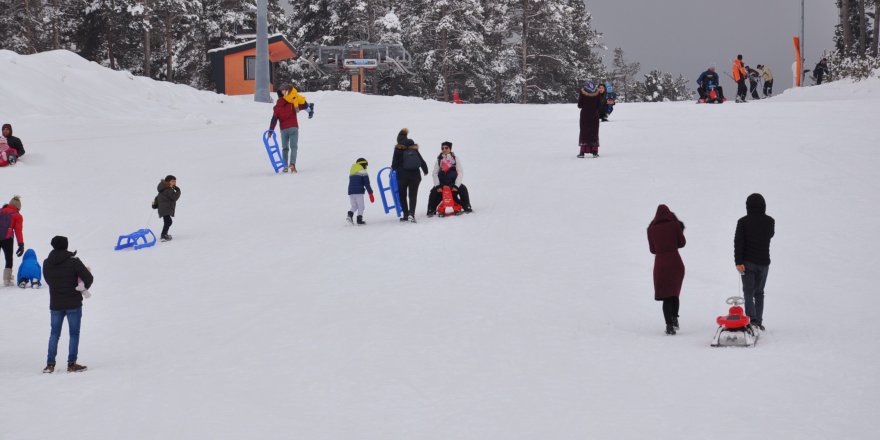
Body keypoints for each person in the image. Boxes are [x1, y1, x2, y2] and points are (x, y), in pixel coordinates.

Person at [42, 236, 93, 373]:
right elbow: (88, 277)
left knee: (54, 334)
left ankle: (50, 364)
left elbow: (48, 280)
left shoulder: (47, 263)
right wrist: (81, 287)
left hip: (56, 304)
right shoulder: (74, 261)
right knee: (74, 334)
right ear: (66, 245)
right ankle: (71, 364)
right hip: (73, 303)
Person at [734, 193, 775, 331]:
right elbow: (770, 235)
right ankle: (758, 321)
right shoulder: (770, 221)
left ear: (748, 206)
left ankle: (751, 321)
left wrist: (738, 261)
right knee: (759, 292)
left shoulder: (743, 222)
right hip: (764, 263)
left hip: (747, 263)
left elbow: (738, 242)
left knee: (748, 292)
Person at [647, 204, 686, 335]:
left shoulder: (651, 229)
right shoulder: (674, 225)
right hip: (675, 262)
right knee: (674, 292)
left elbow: (652, 250)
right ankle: (674, 318)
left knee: (666, 296)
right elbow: (682, 243)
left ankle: (669, 325)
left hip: (661, 265)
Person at [269, 85, 311, 173]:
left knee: (285, 148)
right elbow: (304, 105)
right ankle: (292, 164)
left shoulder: (277, 107)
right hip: (293, 128)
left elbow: (274, 119)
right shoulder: (291, 102)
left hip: (283, 130)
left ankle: (284, 166)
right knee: (294, 147)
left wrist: (271, 130)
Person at [391, 128, 428, 223]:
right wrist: (425, 170)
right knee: (412, 195)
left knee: (402, 195)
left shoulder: (398, 148)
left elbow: (394, 164)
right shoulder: (413, 147)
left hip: (402, 176)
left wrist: (392, 168)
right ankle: (412, 214)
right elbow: (421, 160)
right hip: (415, 176)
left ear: (399, 139)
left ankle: (406, 215)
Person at [427, 141, 473, 217]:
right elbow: (434, 173)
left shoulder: (455, 158)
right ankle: (431, 209)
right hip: (442, 184)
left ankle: (466, 206)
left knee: (463, 189)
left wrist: (456, 185)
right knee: (433, 192)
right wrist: (437, 186)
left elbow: (460, 172)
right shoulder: (439, 159)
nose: (444, 149)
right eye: (442, 148)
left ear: (450, 149)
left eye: (446, 148)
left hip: (453, 184)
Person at [1, 195, 25, 286]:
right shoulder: (17, 215)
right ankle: (7, 280)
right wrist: (21, 244)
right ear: (18, 207)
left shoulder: (1, 211)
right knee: (8, 258)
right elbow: (18, 231)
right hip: (7, 238)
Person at [577, 81, 601, 158]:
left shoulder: (583, 91)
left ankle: (582, 153)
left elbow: (579, 105)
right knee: (594, 132)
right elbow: (599, 105)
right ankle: (594, 152)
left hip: (585, 115)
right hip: (594, 115)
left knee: (584, 132)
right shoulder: (597, 92)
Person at [347, 158, 374, 225]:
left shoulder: (352, 171)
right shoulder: (363, 172)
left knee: (354, 206)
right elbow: (367, 184)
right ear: (362, 164)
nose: (366, 167)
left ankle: (349, 215)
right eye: (366, 165)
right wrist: (370, 193)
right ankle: (359, 220)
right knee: (361, 207)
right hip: (358, 192)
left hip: (351, 191)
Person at [156, 175, 181, 241]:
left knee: (167, 221)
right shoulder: (168, 190)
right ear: (168, 182)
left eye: (175, 181)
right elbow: (175, 197)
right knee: (168, 222)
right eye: (172, 181)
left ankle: (164, 234)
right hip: (165, 209)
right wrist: (178, 190)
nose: (174, 183)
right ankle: (163, 235)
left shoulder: (163, 189)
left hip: (163, 209)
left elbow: (158, 197)